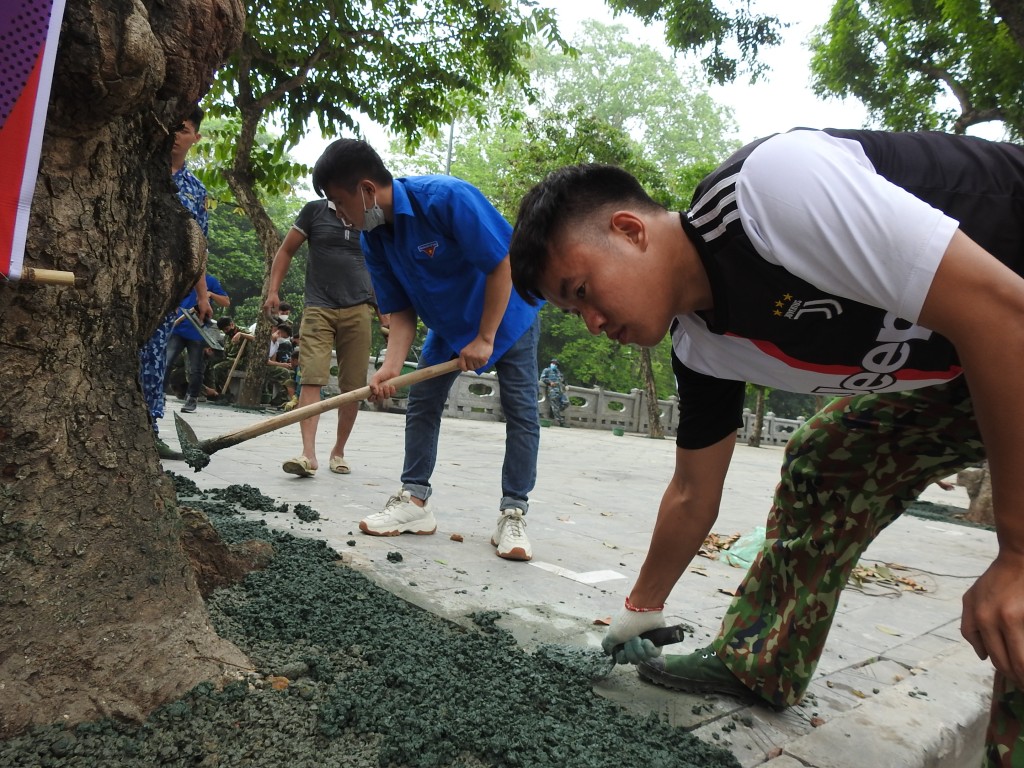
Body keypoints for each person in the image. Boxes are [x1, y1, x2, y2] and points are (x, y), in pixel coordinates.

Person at [507, 128, 1024, 760]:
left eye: (581, 291)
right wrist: (641, 606)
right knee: (833, 455)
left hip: (1009, 319)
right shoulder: (702, 349)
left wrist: (1017, 555)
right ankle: (761, 662)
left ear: (629, 230)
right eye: (572, 313)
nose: (591, 322)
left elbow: (1004, 312)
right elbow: (693, 492)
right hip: (973, 367)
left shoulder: (772, 193)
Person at [311, 138, 543, 561]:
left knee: (521, 412)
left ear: (366, 189)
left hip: (509, 314)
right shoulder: (374, 238)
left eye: (340, 202)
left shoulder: (445, 199)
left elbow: (502, 264)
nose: (339, 215)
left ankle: (513, 513)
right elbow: (399, 312)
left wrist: (486, 337)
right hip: (450, 327)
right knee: (422, 404)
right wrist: (391, 368)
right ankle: (415, 502)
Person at [263, 198, 377, 478]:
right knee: (311, 376)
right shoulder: (315, 211)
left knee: (353, 386)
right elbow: (287, 249)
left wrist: (384, 308)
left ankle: (338, 451)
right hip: (318, 307)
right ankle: (308, 454)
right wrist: (273, 290)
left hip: (360, 308)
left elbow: (384, 261)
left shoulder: (371, 215)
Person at [138, 105, 212, 457]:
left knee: (154, 356)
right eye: (171, 128)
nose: (175, 136)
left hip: (165, 290)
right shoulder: (136, 171)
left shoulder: (196, 191)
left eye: (183, 130)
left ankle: (150, 429)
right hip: (127, 276)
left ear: (195, 137)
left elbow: (199, 246)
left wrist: (203, 296)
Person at [165, 273, 229, 412]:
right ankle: (159, 395)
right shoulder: (183, 276)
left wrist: (209, 294)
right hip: (178, 329)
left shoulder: (210, 280)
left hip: (197, 332)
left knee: (196, 368)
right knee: (167, 362)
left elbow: (226, 302)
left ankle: (192, 398)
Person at [539, 358, 569, 427]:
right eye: (552, 363)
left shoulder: (559, 372)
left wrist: (566, 385)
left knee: (566, 403)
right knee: (555, 406)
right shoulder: (547, 370)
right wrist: (550, 382)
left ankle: (553, 411)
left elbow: (563, 380)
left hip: (561, 391)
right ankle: (561, 422)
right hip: (552, 391)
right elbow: (542, 378)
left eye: (555, 364)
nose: (554, 365)